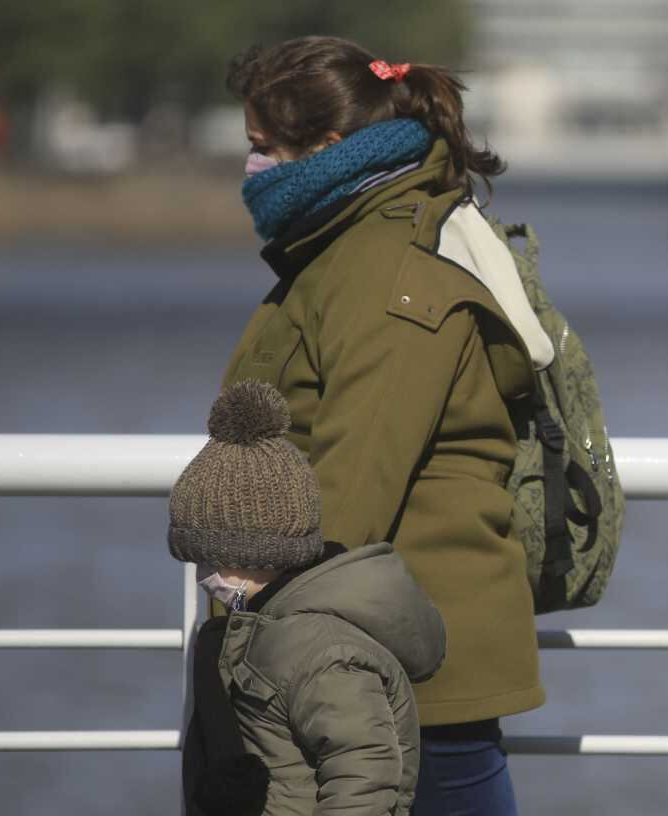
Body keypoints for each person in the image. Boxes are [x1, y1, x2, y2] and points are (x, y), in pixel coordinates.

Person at [221, 36, 556, 815]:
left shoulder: (384, 266)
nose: (251, 169)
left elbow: (356, 474)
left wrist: (254, 610)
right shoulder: (354, 243)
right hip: (380, 647)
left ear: (328, 149)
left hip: (398, 662)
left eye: (261, 149)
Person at [170, 380, 446, 816]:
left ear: (261, 553)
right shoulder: (265, 626)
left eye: (213, 561)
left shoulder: (322, 652)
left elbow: (365, 778)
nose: (205, 578)